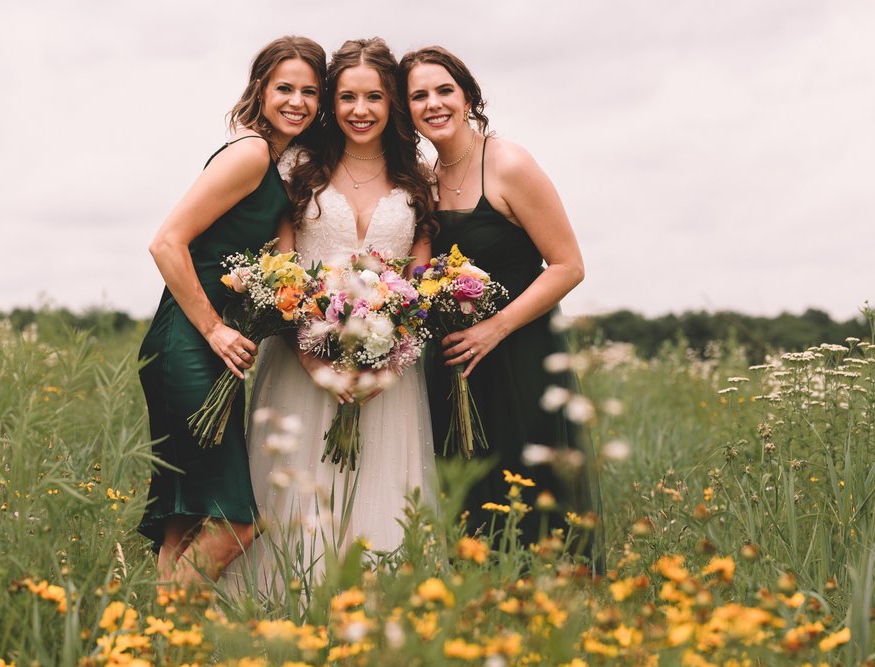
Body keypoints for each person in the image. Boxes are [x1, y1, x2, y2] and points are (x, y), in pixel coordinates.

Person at [225, 38, 437, 596]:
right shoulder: (298, 166)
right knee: (294, 491)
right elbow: (285, 274)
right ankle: (283, 619)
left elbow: (418, 288)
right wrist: (318, 366)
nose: (360, 110)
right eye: (347, 97)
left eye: (373, 97)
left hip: (391, 375)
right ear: (331, 103)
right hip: (300, 364)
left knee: (382, 494)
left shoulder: (417, 177)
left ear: (391, 103)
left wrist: (384, 369)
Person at [400, 46, 603, 563]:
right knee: (467, 494)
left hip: (519, 353)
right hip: (453, 364)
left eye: (444, 90)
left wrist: (495, 328)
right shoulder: (424, 180)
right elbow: (419, 273)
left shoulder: (508, 163)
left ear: (468, 96)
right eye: (418, 95)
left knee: (529, 490)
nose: (434, 103)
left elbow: (567, 266)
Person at [137, 36, 326, 586]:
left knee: (186, 521)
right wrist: (215, 328)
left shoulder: (273, 161)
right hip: (189, 346)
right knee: (235, 525)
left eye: (310, 91)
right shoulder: (250, 153)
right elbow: (167, 242)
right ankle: (173, 638)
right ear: (260, 90)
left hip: (200, 347)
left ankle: (167, 644)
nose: (297, 101)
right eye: (285, 88)